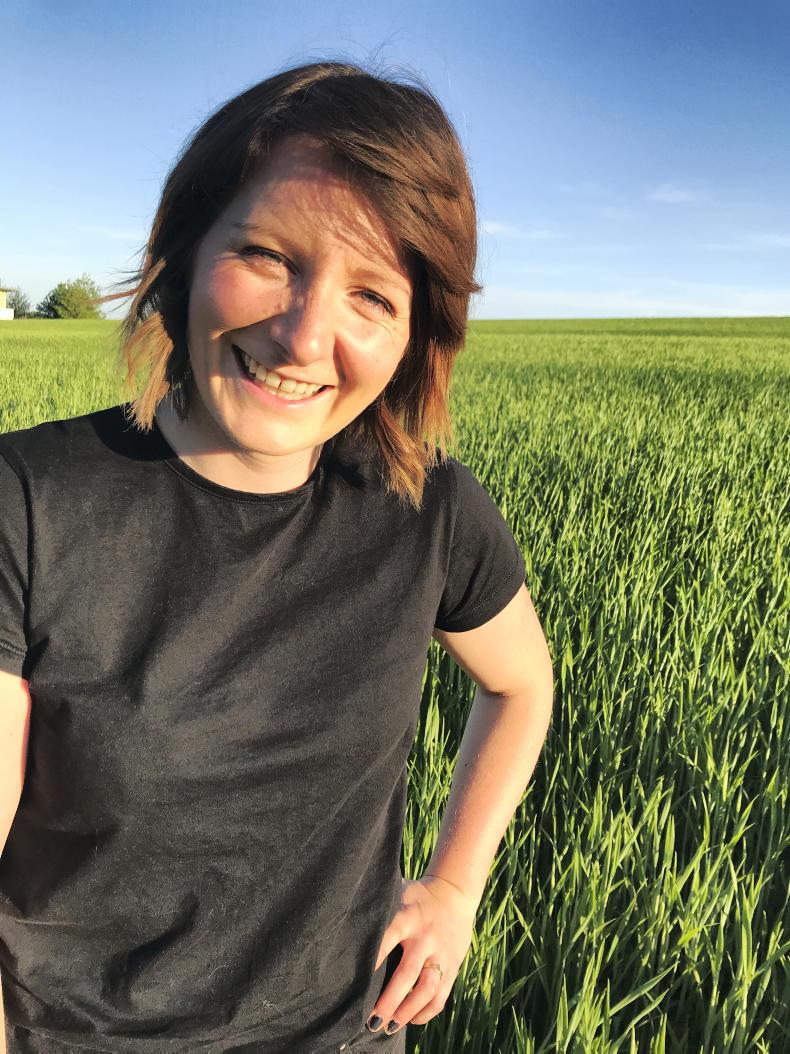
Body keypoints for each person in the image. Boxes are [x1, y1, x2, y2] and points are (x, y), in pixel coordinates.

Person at [0, 61, 554, 1053]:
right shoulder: (28, 503)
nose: (304, 337)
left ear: (414, 333)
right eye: (266, 254)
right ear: (182, 251)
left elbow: (523, 686)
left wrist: (456, 888)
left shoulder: (430, 513)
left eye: (372, 296)